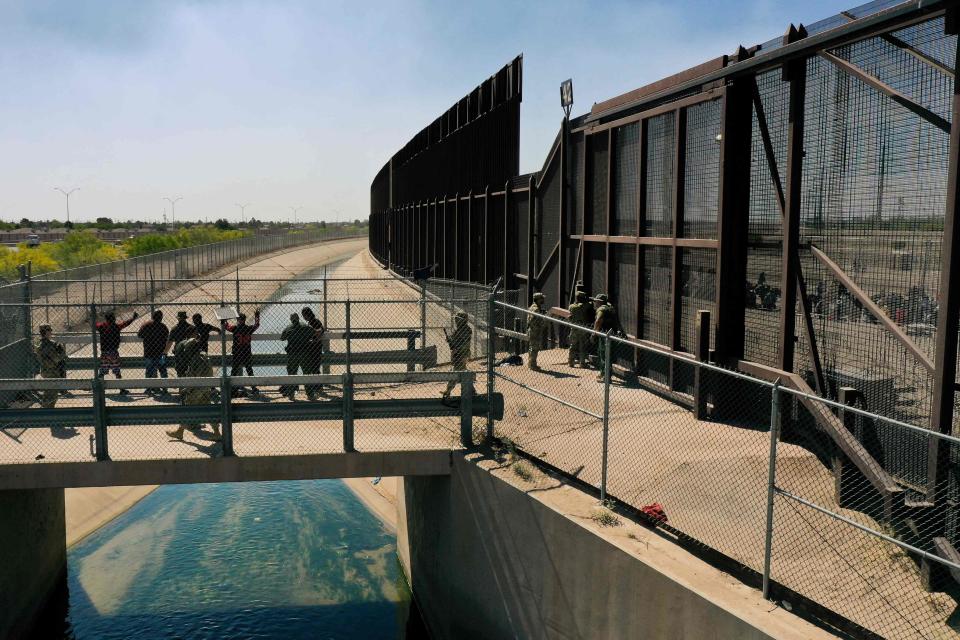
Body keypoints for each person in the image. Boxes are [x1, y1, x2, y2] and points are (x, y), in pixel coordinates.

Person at [166, 327, 221, 442]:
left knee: (188, 407)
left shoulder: (197, 359)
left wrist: (187, 389)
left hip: (198, 388)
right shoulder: (203, 356)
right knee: (207, 409)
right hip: (204, 387)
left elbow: (194, 378)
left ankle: (180, 432)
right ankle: (216, 432)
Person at [96, 310, 138, 394]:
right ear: (114, 319)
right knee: (117, 371)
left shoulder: (102, 326)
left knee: (102, 371)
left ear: (106, 319)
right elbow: (125, 324)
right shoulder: (116, 327)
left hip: (104, 353)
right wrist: (133, 318)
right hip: (113, 352)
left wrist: (93, 318)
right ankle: (121, 389)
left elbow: (95, 325)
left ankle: (98, 388)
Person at [280, 312, 315, 400]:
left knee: (292, 375)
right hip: (304, 354)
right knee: (306, 374)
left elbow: (282, 338)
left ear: (291, 320)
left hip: (293, 354)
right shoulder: (305, 326)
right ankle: (310, 394)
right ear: (299, 318)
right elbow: (313, 333)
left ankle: (291, 394)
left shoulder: (288, 328)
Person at [226, 310, 260, 395]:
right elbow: (256, 325)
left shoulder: (235, 328)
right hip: (246, 352)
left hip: (237, 353)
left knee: (235, 370)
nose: (239, 321)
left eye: (239, 319)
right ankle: (253, 387)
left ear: (239, 320)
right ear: (244, 320)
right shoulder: (248, 329)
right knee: (249, 370)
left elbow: (227, 326)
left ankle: (232, 387)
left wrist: (224, 318)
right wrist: (256, 316)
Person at [137, 309, 170, 396]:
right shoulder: (163, 326)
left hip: (149, 352)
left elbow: (139, 335)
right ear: (161, 318)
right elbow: (167, 337)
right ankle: (165, 388)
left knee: (149, 371)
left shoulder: (146, 325)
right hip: (160, 352)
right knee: (163, 371)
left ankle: (148, 388)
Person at [442, 311, 472, 403]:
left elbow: (464, 343)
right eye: (456, 319)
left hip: (462, 354)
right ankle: (472, 391)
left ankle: (448, 391)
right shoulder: (459, 329)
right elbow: (453, 338)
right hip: (458, 354)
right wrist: (449, 339)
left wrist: (456, 349)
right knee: (461, 372)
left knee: (456, 372)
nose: (456, 320)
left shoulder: (466, 330)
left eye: (458, 319)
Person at [592, 293, 624, 382]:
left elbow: (598, 321)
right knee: (604, 355)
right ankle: (603, 374)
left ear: (600, 302)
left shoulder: (602, 309)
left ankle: (606, 377)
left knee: (605, 356)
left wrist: (594, 333)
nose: (595, 303)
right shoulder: (610, 308)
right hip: (610, 334)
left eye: (596, 301)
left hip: (605, 335)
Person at [34, 324, 66, 409]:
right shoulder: (49, 344)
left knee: (49, 392)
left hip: (45, 370)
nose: (51, 332)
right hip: (52, 371)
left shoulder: (39, 343)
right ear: (46, 332)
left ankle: (47, 411)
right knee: (51, 394)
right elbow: (56, 359)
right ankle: (48, 413)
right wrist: (61, 352)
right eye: (49, 330)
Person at [301, 307, 326, 400]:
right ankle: (317, 387)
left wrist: (313, 339)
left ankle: (318, 387)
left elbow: (320, 331)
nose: (303, 317)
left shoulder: (314, 322)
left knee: (314, 369)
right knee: (315, 369)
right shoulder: (313, 322)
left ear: (307, 315)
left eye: (304, 315)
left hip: (315, 350)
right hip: (314, 349)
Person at [567, 291, 595, 368]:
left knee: (573, 345)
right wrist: (590, 299)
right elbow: (590, 304)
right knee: (583, 346)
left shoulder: (571, 306)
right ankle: (582, 363)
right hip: (582, 328)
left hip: (574, 328)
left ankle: (570, 362)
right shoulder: (584, 306)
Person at [167, 311, 193, 377]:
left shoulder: (175, 328)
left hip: (179, 351)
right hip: (189, 350)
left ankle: (181, 384)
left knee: (179, 369)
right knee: (190, 368)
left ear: (178, 318)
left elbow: (170, 341)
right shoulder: (191, 328)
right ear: (185, 318)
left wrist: (165, 352)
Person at [526, 292, 547, 370]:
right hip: (534, 331)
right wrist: (539, 325)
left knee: (532, 347)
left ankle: (531, 364)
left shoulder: (533, 307)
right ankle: (532, 365)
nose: (543, 300)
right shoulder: (536, 309)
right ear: (538, 299)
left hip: (532, 330)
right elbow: (532, 321)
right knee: (534, 348)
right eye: (542, 298)